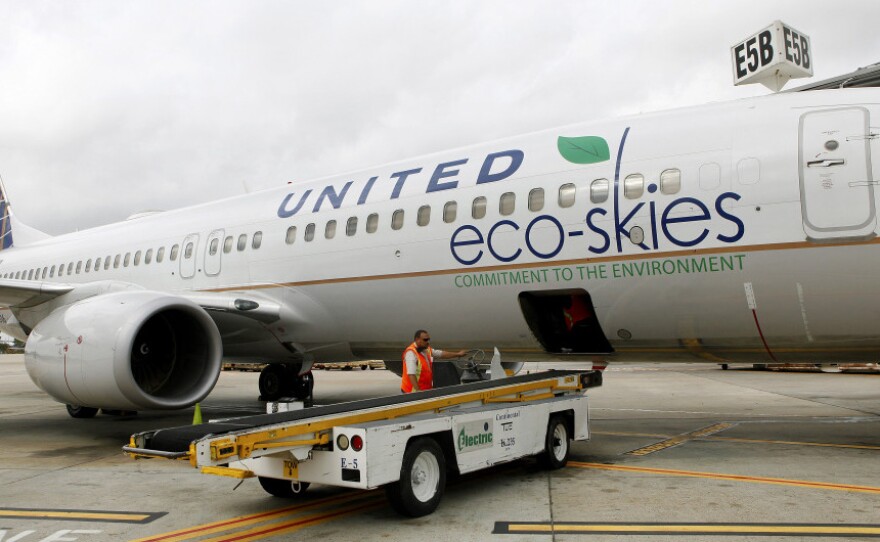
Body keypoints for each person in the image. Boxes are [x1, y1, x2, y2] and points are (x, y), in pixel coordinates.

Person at [401, 329, 466, 393]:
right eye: (425, 340)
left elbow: (441, 354)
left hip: (425, 390)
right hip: (412, 392)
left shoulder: (426, 349)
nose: (428, 342)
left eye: (428, 339)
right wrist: (418, 392)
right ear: (417, 340)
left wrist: (458, 354)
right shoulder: (411, 353)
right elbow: (411, 374)